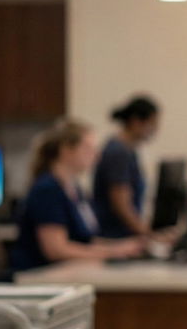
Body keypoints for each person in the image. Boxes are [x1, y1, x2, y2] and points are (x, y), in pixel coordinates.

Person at [10, 117, 142, 272]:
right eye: (88, 148)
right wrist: (111, 253)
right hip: (39, 276)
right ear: (66, 150)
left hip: (66, 272)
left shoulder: (74, 189)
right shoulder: (48, 189)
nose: (96, 155)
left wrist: (121, 246)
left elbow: (84, 241)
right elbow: (56, 250)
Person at [92, 95, 164, 240]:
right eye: (153, 123)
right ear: (136, 122)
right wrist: (150, 234)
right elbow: (121, 204)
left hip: (123, 236)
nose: (155, 130)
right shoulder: (118, 153)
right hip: (115, 236)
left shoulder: (128, 151)